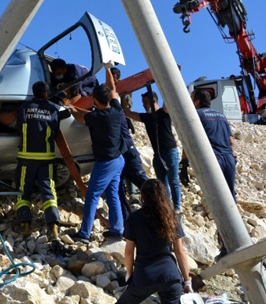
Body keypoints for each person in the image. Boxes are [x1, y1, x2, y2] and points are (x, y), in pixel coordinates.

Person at [111, 179, 193, 304]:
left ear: (143, 196)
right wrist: (187, 281)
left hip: (144, 276)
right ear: (163, 196)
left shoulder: (135, 218)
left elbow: (129, 252)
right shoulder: (172, 217)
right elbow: (180, 252)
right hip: (170, 276)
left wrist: (129, 274)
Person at [69, 63, 125, 243]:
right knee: (112, 194)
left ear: (95, 100)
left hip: (106, 162)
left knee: (92, 195)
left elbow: (80, 117)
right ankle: (117, 229)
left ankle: (84, 233)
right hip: (118, 159)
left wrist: (71, 107)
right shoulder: (117, 110)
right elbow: (113, 87)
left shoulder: (95, 118)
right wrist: (108, 68)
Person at [181, 89, 236, 259]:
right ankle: (237, 238)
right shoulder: (221, 116)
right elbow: (231, 141)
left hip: (214, 160)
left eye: (191, 98)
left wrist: (184, 163)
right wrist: (234, 158)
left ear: (197, 101)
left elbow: (188, 140)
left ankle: (226, 245)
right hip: (228, 159)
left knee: (218, 202)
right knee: (231, 199)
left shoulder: (196, 115)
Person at [14, 81, 68, 239]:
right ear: (46, 93)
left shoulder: (24, 107)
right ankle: (53, 225)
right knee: (48, 191)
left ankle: (25, 224)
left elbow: (20, 127)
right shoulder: (53, 109)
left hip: (26, 158)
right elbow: (55, 131)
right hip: (46, 158)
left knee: (23, 191)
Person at [124, 91, 182, 213]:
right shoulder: (146, 117)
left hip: (170, 151)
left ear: (154, 101)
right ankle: (167, 206)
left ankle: (177, 208)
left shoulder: (164, 112)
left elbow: (169, 97)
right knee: (162, 183)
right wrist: (124, 97)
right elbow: (128, 113)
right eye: (143, 103)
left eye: (145, 102)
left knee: (173, 180)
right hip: (158, 154)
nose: (144, 105)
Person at [109, 68, 148, 219]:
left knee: (134, 172)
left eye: (114, 77)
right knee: (120, 180)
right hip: (117, 143)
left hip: (124, 139)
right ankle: (126, 219)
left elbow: (127, 107)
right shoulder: (106, 92)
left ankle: (135, 195)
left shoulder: (124, 90)